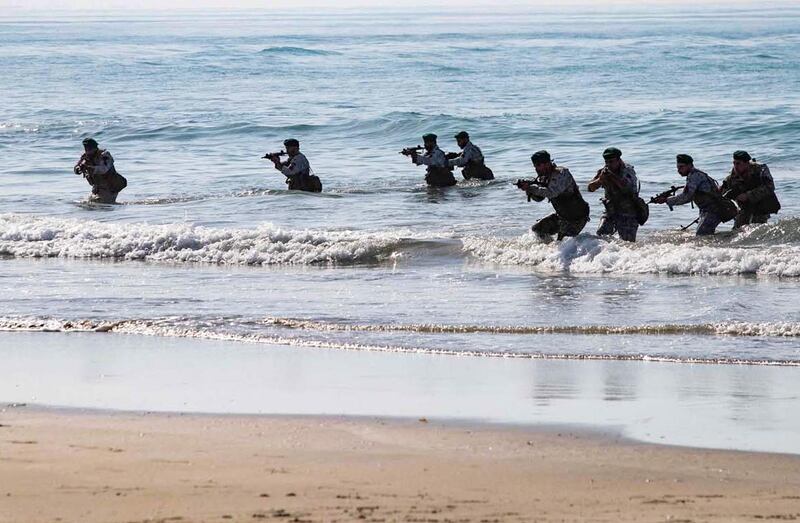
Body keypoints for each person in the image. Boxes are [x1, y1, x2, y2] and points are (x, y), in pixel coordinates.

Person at [517, 150, 590, 241]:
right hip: (562, 216)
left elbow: (552, 192)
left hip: (577, 217)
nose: (536, 169)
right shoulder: (544, 177)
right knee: (537, 230)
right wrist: (528, 190)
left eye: (537, 166)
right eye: (535, 166)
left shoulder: (562, 173)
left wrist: (532, 188)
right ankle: (546, 250)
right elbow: (539, 198)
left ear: (546, 163)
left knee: (563, 243)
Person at [651, 154, 729, 236]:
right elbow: (689, 194)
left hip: (713, 210)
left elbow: (687, 197)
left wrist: (667, 200)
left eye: (681, 167)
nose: (679, 170)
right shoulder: (695, 175)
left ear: (690, 165)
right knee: (705, 235)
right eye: (677, 168)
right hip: (709, 209)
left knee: (702, 235)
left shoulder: (694, 176)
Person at [587, 147, 640, 242]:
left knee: (627, 244)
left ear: (619, 160)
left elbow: (626, 189)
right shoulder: (604, 171)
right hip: (610, 211)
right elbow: (590, 188)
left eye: (611, 162)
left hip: (628, 213)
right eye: (606, 162)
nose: (608, 164)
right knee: (600, 237)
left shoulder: (627, 170)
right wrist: (600, 180)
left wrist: (612, 177)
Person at [721, 150, 780, 229]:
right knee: (737, 231)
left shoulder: (760, 169)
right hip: (744, 208)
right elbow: (723, 191)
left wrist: (748, 195)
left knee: (757, 230)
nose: (735, 166)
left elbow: (770, 187)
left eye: (738, 163)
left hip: (761, 205)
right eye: (734, 163)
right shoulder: (732, 176)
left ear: (746, 163)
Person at [73, 137, 126, 204]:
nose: (87, 151)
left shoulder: (104, 155)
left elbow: (104, 169)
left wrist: (89, 168)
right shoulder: (85, 157)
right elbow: (77, 167)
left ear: (95, 148)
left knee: (101, 205)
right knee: (84, 203)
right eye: (86, 148)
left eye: (89, 148)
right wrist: (78, 169)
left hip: (110, 187)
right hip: (97, 188)